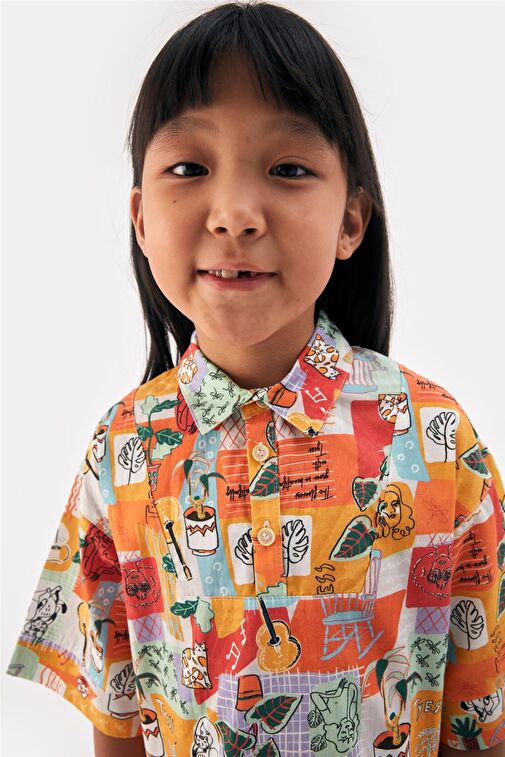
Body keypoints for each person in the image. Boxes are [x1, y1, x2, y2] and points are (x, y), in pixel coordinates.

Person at [5, 2, 505, 756]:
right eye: (189, 168)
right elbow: (119, 720)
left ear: (350, 221)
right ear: (140, 219)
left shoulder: (435, 440)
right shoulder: (122, 451)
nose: (235, 214)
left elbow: (480, 720)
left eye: (288, 169)